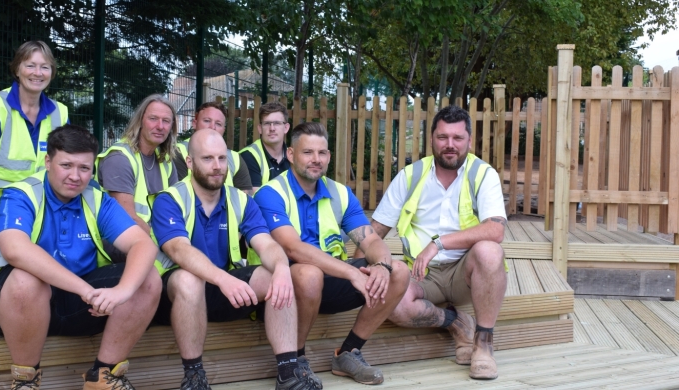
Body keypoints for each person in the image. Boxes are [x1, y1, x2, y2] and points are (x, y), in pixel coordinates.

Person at [0, 125, 162, 390]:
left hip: (82, 303)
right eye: (66, 165)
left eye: (85, 168)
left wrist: (121, 292)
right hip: (17, 306)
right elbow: (14, 248)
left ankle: (103, 376)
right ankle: (26, 381)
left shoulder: (97, 198)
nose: (76, 177)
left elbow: (142, 244)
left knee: (147, 277)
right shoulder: (22, 193)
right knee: (25, 281)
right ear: (48, 161)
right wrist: (86, 290)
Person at [149, 129, 319, 390]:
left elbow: (266, 244)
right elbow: (178, 250)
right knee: (188, 279)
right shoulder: (169, 199)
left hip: (222, 288)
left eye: (221, 159)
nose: (217, 167)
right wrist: (224, 279)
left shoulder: (240, 199)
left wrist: (283, 268)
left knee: (274, 275)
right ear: (191, 163)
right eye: (207, 159)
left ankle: (288, 372)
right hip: (171, 296)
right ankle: (194, 377)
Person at [254, 122, 409, 386]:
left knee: (399, 271)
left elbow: (370, 238)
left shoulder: (339, 192)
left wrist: (382, 265)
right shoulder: (271, 193)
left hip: (329, 279)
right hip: (283, 290)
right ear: (290, 154)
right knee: (309, 273)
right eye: (308, 152)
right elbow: (293, 248)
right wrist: (351, 272)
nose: (316, 160)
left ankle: (348, 353)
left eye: (322, 153)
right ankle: (296, 359)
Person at [368, 105, 507, 380]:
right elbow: (375, 231)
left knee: (490, 251)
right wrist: (357, 265)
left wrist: (438, 244)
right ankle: (456, 322)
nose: (450, 145)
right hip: (421, 275)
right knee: (390, 302)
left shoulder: (483, 174)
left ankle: (483, 344)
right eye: (443, 137)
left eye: (457, 138)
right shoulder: (410, 176)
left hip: (465, 274)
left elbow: (496, 229)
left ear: (469, 140)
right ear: (431, 138)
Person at [0, 40, 68, 266]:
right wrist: (6, 211)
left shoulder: (60, 113)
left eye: (45, 67)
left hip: (31, 207)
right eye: (30, 65)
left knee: (56, 250)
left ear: (52, 73)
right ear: (17, 69)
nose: (37, 73)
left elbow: (69, 163)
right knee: (22, 255)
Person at [95, 94, 179, 232]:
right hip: (122, 243)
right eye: (153, 119)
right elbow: (127, 219)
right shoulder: (119, 158)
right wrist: (164, 245)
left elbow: (175, 211)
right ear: (140, 121)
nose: (160, 126)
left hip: (157, 239)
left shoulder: (166, 162)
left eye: (166, 121)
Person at [174, 102, 253, 194]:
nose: (212, 127)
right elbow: (179, 194)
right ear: (195, 124)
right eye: (207, 121)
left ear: (224, 129)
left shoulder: (236, 158)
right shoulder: (178, 152)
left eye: (218, 124)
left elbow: (244, 199)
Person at [240, 102, 291, 193]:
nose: (272, 128)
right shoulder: (248, 156)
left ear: (286, 128)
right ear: (260, 128)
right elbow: (256, 198)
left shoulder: (293, 157)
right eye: (267, 123)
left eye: (277, 123)